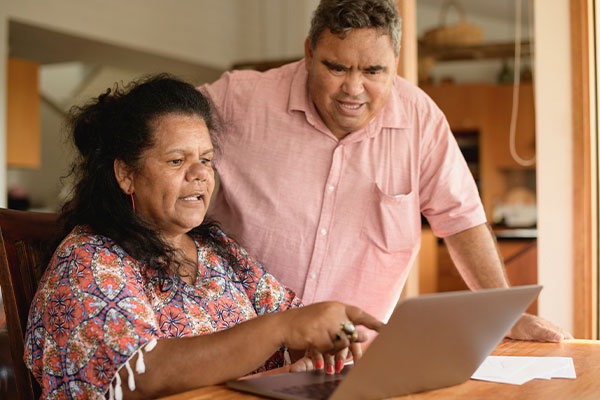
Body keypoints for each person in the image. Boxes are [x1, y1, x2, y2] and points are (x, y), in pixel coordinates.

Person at [201, 0, 571, 342]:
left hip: (349, 356)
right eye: (337, 67)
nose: (353, 89)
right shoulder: (239, 99)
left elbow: (461, 220)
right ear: (309, 52)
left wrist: (504, 313)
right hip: (237, 344)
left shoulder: (420, 120)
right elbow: (154, 140)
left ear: (394, 60)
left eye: (373, 71)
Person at [23, 75, 382, 400]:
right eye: (177, 161)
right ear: (126, 174)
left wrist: (320, 346)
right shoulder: (88, 259)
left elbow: (293, 328)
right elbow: (137, 375)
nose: (199, 174)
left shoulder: (220, 251)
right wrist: (281, 329)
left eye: (206, 160)